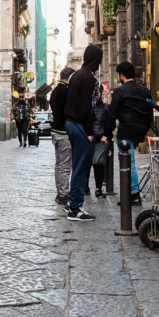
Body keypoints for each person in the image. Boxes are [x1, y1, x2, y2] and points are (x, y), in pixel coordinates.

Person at [64, 43, 103, 221]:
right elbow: (87, 107)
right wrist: (89, 130)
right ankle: (75, 209)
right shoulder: (89, 78)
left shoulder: (75, 75)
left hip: (71, 123)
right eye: (100, 59)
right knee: (81, 167)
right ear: (95, 59)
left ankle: (72, 202)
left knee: (78, 166)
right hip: (81, 126)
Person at [110, 61, 153, 206]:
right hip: (139, 130)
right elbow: (149, 114)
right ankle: (132, 193)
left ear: (122, 75)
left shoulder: (119, 92)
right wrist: (145, 131)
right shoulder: (145, 91)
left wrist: (107, 132)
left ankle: (133, 194)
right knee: (131, 160)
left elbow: (112, 113)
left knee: (128, 162)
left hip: (126, 130)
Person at [49, 67, 74, 204]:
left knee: (58, 164)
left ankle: (60, 192)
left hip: (56, 131)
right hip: (64, 132)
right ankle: (64, 194)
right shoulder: (65, 91)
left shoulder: (54, 91)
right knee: (65, 165)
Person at [91, 84, 115, 197]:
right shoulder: (85, 106)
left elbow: (111, 123)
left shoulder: (105, 107)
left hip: (101, 140)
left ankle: (98, 189)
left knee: (98, 163)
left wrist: (106, 135)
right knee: (85, 164)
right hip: (88, 138)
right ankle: (85, 188)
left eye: (97, 92)